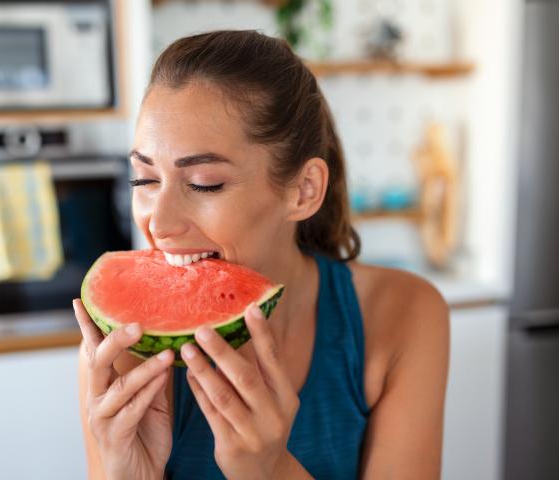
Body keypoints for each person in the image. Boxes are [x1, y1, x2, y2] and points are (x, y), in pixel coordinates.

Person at [73, 30, 449, 480]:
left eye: (205, 183)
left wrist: (271, 470)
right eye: (145, 180)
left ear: (304, 190)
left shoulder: (403, 314)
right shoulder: (122, 349)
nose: (158, 223)